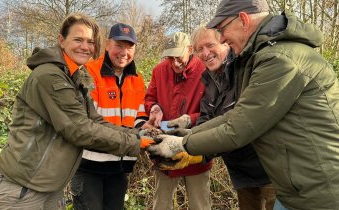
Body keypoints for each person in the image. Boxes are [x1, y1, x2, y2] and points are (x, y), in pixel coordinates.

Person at [147, 0, 339, 209]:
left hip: (316, 187)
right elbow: (234, 115)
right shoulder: (255, 58)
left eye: (221, 30)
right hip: (292, 183)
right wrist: (187, 136)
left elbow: (239, 127)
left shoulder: (278, 59)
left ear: (243, 20)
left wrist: (182, 145)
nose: (222, 37)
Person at [0, 13, 153, 210]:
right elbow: (79, 129)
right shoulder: (50, 76)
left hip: (49, 187)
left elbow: (94, 120)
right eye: (78, 39)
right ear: (61, 40)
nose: (85, 47)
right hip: (23, 187)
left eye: (90, 42)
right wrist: (137, 142)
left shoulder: (76, 76)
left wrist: (138, 134)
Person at [192, 25, 276, 210]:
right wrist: (188, 145)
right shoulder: (208, 80)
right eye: (199, 49)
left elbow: (241, 124)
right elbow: (205, 118)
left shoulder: (244, 69)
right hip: (241, 172)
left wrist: (192, 146)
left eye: (210, 45)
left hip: (269, 170)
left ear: (224, 43)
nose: (205, 53)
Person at [71, 23, 147, 210]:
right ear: (107, 45)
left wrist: (147, 127)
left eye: (129, 47)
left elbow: (140, 116)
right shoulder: (90, 72)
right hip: (89, 167)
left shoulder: (137, 79)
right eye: (119, 46)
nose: (124, 52)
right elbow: (89, 121)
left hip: (120, 168)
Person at [144, 31, 212, 210]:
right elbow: (149, 97)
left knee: (200, 205)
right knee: (161, 204)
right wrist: (154, 108)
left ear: (190, 50)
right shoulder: (159, 70)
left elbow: (213, 112)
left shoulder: (205, 70)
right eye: (170, 57)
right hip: (164, 151)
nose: (175, 63)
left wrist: (189, 119)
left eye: (178, 56)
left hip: (195, 150)